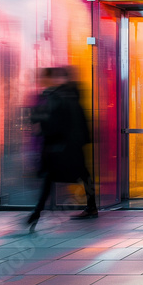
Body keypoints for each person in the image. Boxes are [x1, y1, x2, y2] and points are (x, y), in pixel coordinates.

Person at [28, 66, 97, 230]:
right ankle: (91, 207)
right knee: (82, 175)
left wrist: (43, 129)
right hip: (73, 145)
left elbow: (49, 121)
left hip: (61, 146)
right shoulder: (72, 95)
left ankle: (37, 213)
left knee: (51, 177)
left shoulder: (57, 96)